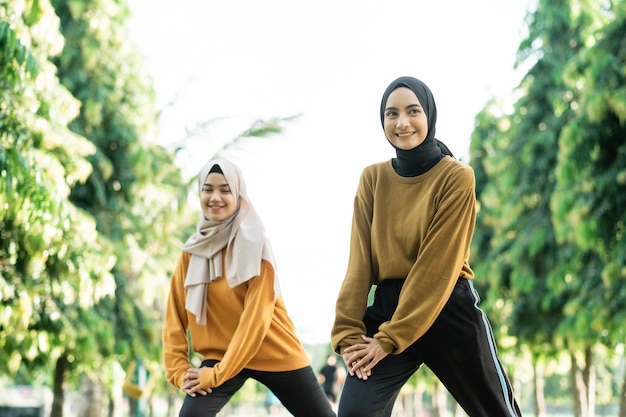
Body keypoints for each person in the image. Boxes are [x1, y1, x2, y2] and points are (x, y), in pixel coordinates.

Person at [330, 76, 522, 417]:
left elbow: (435, 268)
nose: (402, 123)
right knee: (355, 413)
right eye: (392, 114)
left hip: (447, 308)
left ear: (429, 116)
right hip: (389, 309)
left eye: (412, 111)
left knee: (498, 412)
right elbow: (359, 264)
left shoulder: (457, 177)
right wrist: (348, 334)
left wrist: (389, 339)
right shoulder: (372, 179)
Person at [162, 158, 335, 417]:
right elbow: (174, 317)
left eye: (225, 189)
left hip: (274, 352)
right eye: (208, 189)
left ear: (239, 194)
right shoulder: (192, 253)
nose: (215, 197)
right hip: (221, 354)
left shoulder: (256, 245)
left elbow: (256, 321)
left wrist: (217, 375)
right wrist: (178, 371)